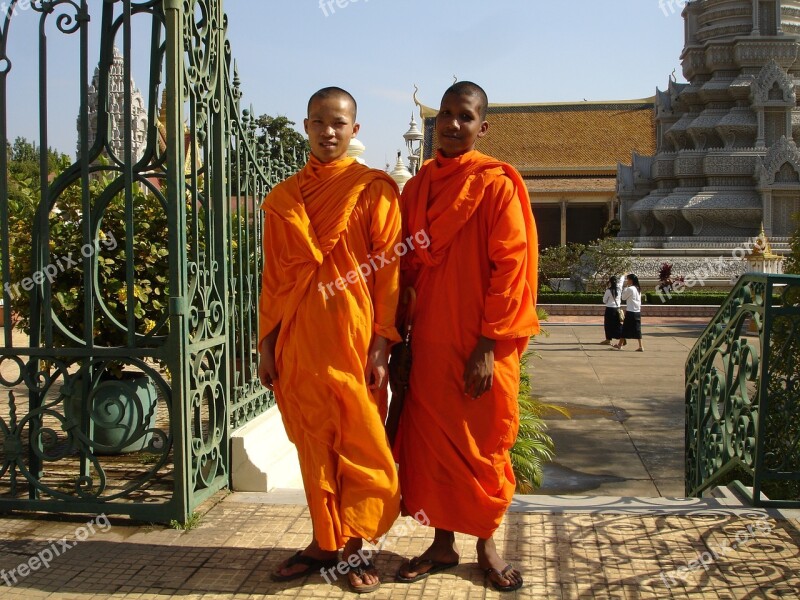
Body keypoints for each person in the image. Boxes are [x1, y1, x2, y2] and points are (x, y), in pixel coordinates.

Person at [392, 81, 539, 593]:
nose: (452, 124)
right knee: (434, 445)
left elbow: (511, 267)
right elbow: (405, 271)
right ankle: (441, 543)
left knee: (485, 445)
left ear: (482, 126)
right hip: (430, 338)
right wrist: (398, 340)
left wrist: (486, 345)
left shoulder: (496, 184)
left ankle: (485, 544)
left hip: (482, 345)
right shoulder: (416, 189)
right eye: (446, 114)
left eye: (465, 116)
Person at [258, 86, 402, 594]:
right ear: (306, 126)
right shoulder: (284, 200)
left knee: (364, 448)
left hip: (356, 343)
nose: (329, 131)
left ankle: (359, 545)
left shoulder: (374, 190)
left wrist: (382, 344)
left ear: (355, 130)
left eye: (339, 123)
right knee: (314, 448)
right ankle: (325, 542)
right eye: (319, 122)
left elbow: (389, 274)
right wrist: (266, 345)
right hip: (300, 343)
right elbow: (274, 279)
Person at [616, 273, 644, 351]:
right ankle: (640, 346)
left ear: (631, 280)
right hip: (637, 311)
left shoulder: (630, 288)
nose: (627, 281)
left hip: (630, 311)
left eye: (627, 279)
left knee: (625, 328)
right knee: (637, 329)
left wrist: (625, 288)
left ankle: (619, 345)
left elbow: (623, 297)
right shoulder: (638, 289)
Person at [600, 276, 623, 345]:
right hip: (617, 309)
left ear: (610, 282)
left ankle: (608, 339)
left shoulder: (608, 290)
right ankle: (621, 337)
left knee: (608, 325)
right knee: (617, 324)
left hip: (610, 309)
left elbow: (604, 300)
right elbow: (621, 280)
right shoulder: (619, 289)